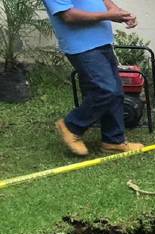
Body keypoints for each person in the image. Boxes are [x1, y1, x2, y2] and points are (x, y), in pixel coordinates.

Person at [45, 0, 143, 157]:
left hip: (102, 40)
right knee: (105, 90)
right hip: (82, 46)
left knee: (116, 91)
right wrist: (108, 15)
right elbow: (68, 16)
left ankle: (114, 141)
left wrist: (119, 13)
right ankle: (71, 126)